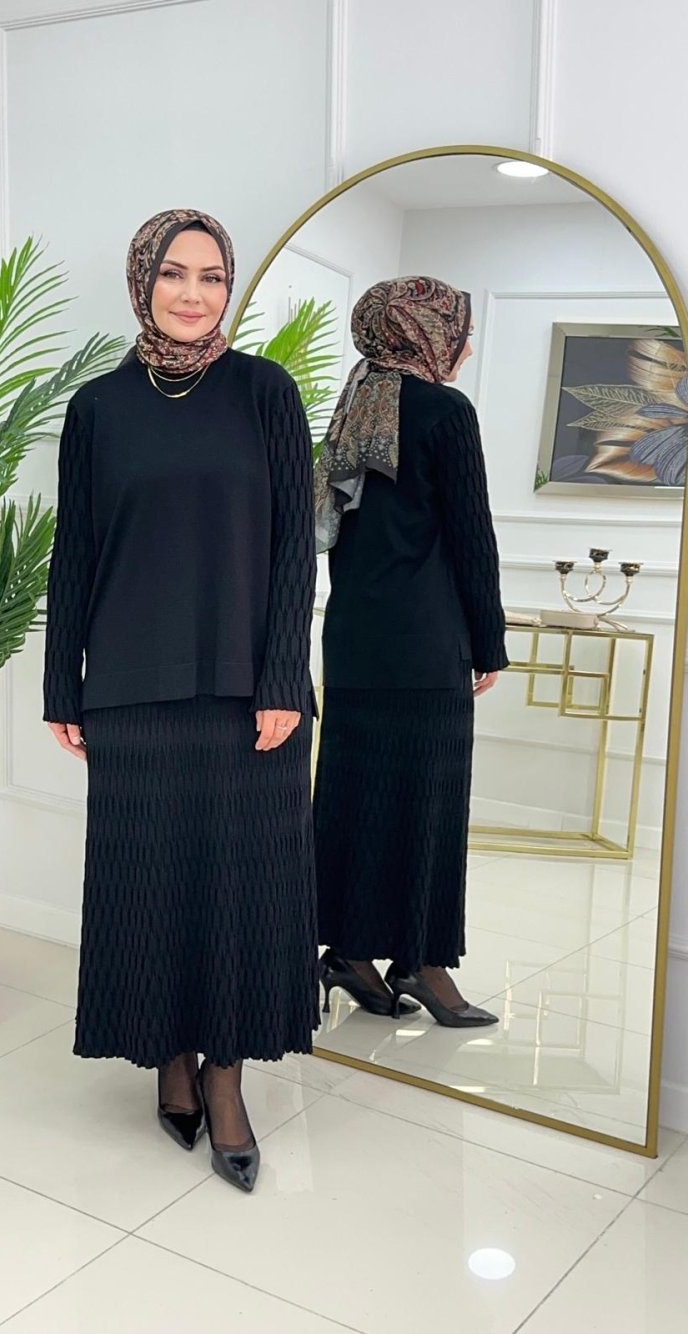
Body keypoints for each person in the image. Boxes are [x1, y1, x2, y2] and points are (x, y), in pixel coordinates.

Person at [42, 209, 318, 1192]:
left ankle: (228, 1077)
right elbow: (75, 551)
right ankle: (170, 1057)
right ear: (141, 281)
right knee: (152, 885)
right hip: (132, 690)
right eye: (173, 273)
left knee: (243, 892)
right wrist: (61, 684)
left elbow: (295, 547)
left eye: (211, 276)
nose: (193, 294)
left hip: (252, 699)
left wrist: (283, 678)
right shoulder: (98, 407)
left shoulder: (265, 392)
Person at [313, 276, 508, 1028]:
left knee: (356, 800)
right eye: (460, 330)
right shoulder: (444, 411)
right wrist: (488, 642)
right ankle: (423, 964)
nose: (466, 347)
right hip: (426, 645)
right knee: (428, 806)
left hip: (354, 642)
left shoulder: (356, 404)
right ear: (427, 332)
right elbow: (471, 534)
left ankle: (350, 953)